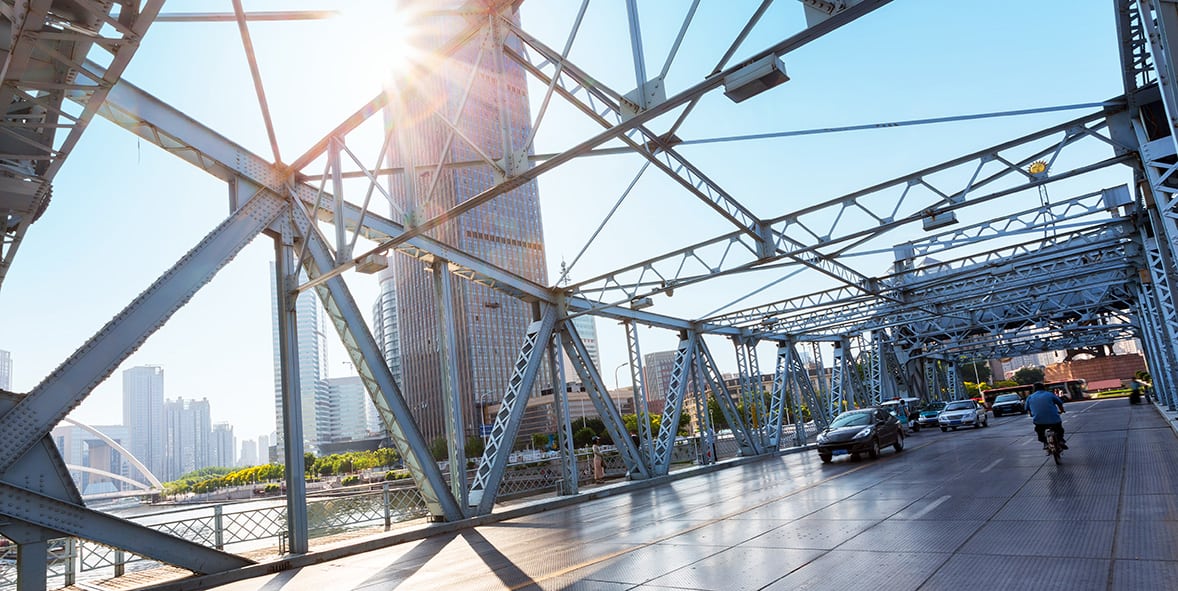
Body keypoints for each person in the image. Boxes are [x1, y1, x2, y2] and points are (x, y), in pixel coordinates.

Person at [1026, 382, 1067, 450]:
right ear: (1044, 388)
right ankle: (1060, 441)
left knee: (1039, 430)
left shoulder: (1030, 397)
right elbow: (1059, 403)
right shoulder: (1050, 394)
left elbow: (1027, 408)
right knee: (1059, 429)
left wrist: (1031, 415)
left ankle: (1045, 443)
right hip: (1054, 419)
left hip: (1039, 420)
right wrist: (1062, 410)